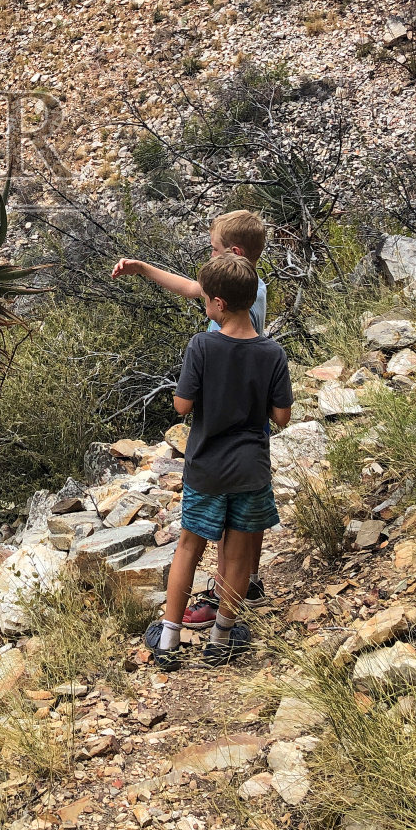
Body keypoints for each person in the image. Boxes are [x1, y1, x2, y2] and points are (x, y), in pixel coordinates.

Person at [111, 208, 271, 621]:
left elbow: (190, 398)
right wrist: (144, 268)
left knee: (222, 523)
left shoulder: (216, 330)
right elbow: (192, 288)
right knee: (246, 514)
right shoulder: (252, 288)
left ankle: (221, 598)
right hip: (253, 427)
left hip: (220, 426)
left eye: (214, 250)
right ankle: (249, 581)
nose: (210, 256)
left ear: (233, 253)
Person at [141, 252, 292, 670]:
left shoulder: (202, 345)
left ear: (219, 304)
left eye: (206, 299)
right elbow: (281, 417)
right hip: (250, 470)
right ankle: (222, 639)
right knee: (239, 555)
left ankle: (168, 641)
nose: (204, 304)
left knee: (188, 548)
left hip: (206, 467)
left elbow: (182, 406)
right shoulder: (273, 353)